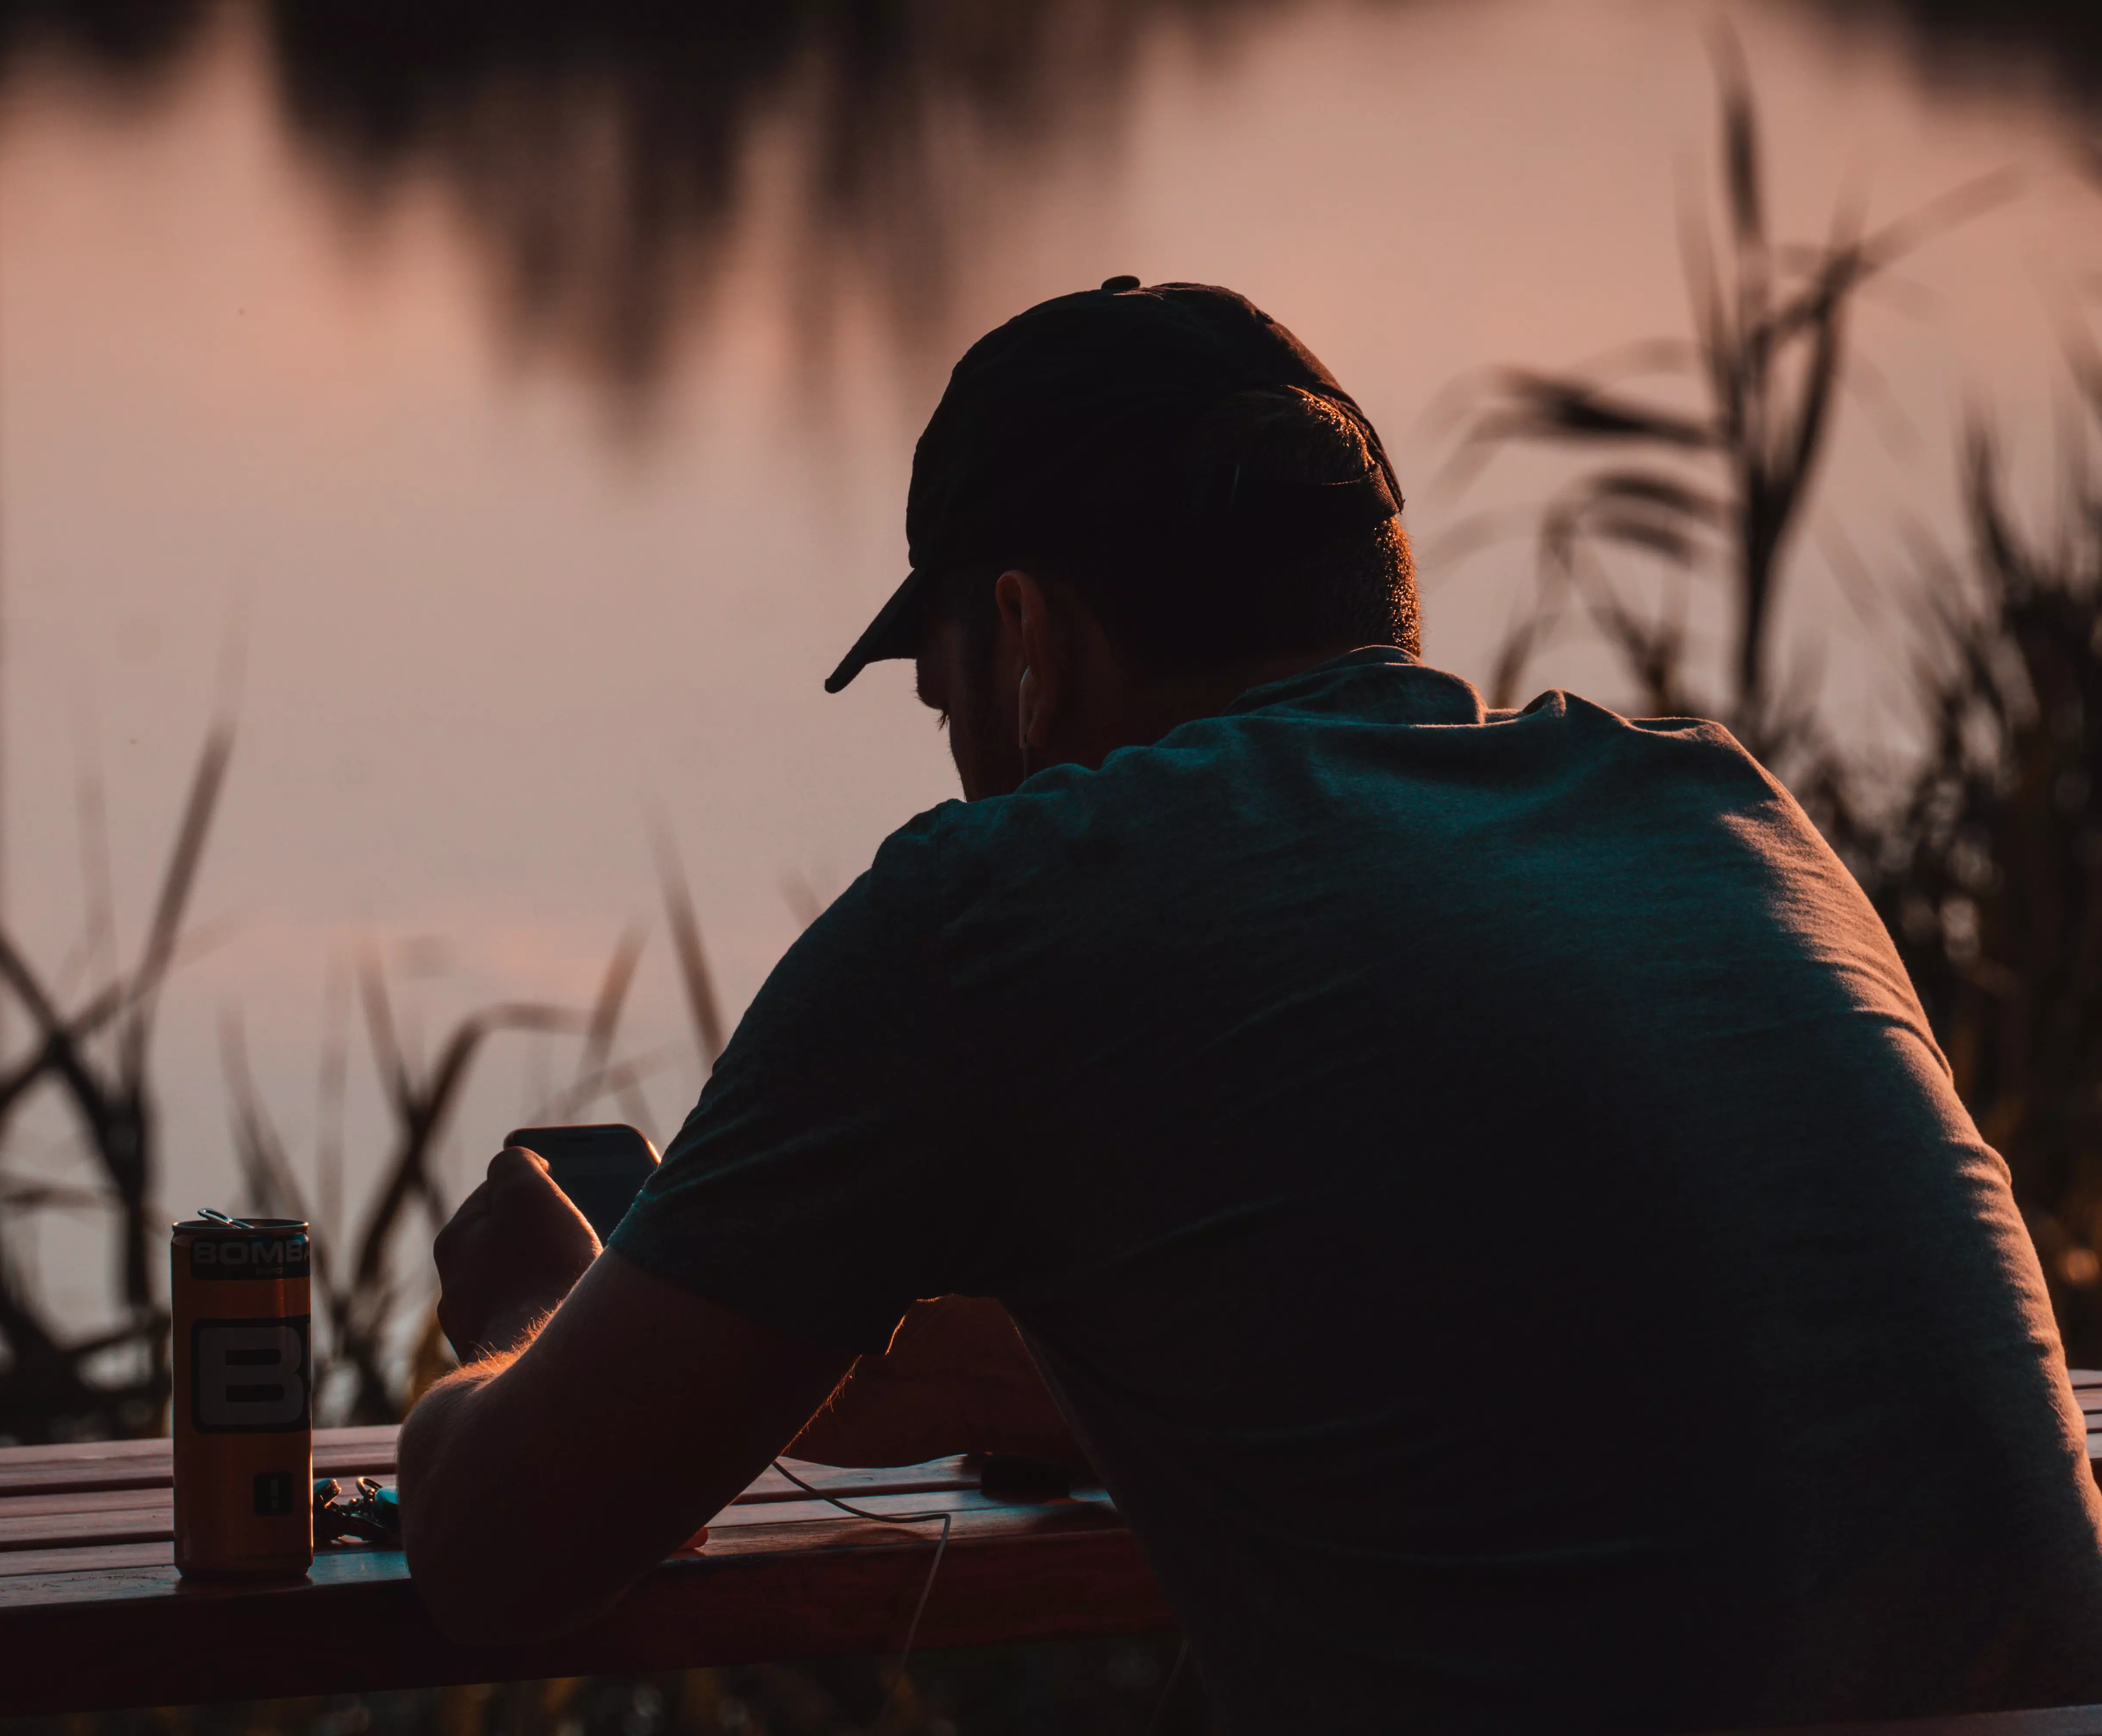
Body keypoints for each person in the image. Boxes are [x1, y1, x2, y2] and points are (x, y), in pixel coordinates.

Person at [397, 279, 2102, 1733]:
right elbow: (1431, 1350)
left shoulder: (1006, 902)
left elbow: (501, 1554)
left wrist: (530, 1342)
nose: (965, 762)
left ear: (1024, 637)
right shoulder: (1725, 821)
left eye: (944, 701)